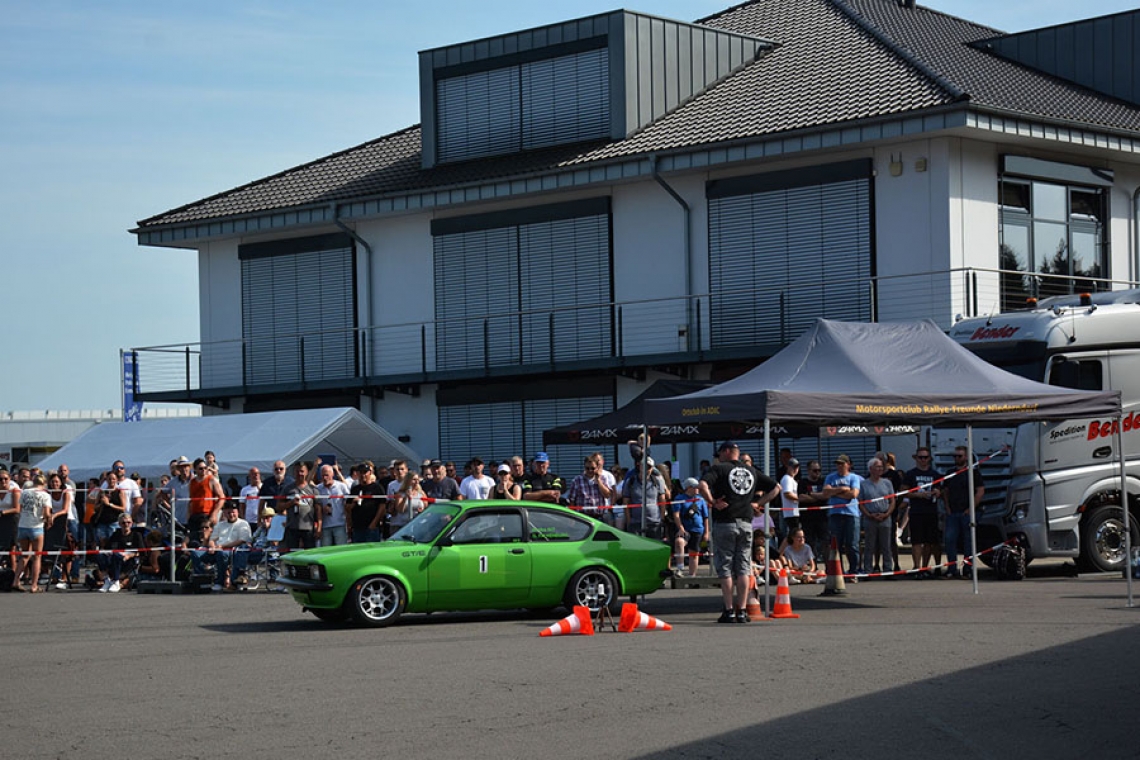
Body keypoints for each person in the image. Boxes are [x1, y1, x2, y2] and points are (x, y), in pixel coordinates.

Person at [700, 441, 780, 624]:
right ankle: (743, 610)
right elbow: (776, 488)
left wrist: (712, 501)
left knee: (726, 568)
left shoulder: (719, 469)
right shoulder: (751, 471)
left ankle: (729, 610)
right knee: (743, 566)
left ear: (727, 452)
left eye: (720, 453)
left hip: (725, 522)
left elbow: (702, 485)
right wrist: (758, 504)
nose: (718, 457)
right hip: (745, 522)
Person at [943, 446, 985, 578]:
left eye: (959, 456)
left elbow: (980, 491)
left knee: (969, 542)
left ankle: (968, 569)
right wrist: (947, 507)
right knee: (950, 540)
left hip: (969, 513)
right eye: (954, 456)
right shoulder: (950, 473)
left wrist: (971, 508)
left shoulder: (974, 473)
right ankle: (952, 569)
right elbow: (945, 491)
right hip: (953, 513)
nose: (956, 458)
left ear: (966, 457)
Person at [192, 502, 253, 591]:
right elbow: (212, 539)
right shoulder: (220, 525)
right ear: (224, 513)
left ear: (238, 512)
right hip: (216, 549)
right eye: (228, 512)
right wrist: (212, 546)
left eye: (233, 512)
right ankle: (203, 580)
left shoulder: (243, 524)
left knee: (221, 554)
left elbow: (242, 541)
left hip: (231, 550)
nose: (231, 514)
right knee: (195, 553)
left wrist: (221, 546)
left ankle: (219, 582)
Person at [904, 447, 943, 579]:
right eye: (920, 457)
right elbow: (904, 493)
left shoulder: (935, 474)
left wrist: (937, 493)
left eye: (925, 457)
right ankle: (917, 567)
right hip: (916, 511)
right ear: (916, 458)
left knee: (929, 541)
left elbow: (940, 491)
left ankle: (925, 567)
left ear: (929, 459)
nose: (923, 460)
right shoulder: (910, 474)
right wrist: (918, 495)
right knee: (916, 541)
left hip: (931, 511)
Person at [822, 454, 862, 578]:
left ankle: (853, 571)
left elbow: (853, 494)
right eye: (837, 464)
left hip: (851, 514)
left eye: (842, 464)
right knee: (836, 544)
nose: (839, 466)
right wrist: (842, 489)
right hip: (835, 514)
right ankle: (838, 571)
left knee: (852, 544)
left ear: (848, 465)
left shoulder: (854, 477)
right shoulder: (830, 477)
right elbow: (825, 492)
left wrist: (835, 493)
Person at [15, 473, 52, 592]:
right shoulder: (45, 495)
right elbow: (46, 513)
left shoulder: (25, 492)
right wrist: (49, 519)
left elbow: (20, 508)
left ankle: (16, 581)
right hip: (36, 526)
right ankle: (34, 585)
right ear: (44, 483)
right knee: (37, 557)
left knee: (24, 555)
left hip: (23, 525)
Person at [859, 457, 895, 575]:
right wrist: (869, 515)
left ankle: (888, 570)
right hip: (870, 518)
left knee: (886, 546)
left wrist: (887, 514)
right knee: (870, 546)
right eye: (877, 467)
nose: (880, 469)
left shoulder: (887, 483)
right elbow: (861, 502)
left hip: (885, 518)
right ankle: (868, 570)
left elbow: (892, 500)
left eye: (881, 467)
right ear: (870, 469)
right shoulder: (864, 484)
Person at [619, 456, 667, 538]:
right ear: (640, 466)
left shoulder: (657, 481)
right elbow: (625, 502)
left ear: (652, 469)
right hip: (636, 523)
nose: (646, 469)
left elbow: (662, 500)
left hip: (654, 522)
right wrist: (629, 521)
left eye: (649, 467)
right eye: (644, 466)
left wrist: (662, 518)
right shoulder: (630, 481)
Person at [95, 512, 143, 593]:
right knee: (99, 555)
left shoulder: (136, 535)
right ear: (120, 524)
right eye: (123, 523)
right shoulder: (116, 534)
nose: (126, 524)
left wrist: (130, 555)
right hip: (114, 557)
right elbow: (107, 548)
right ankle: (107, 581)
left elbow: (142, 552)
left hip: (129, 560)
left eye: (128, 522)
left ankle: (116, 582)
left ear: (132, 523)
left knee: (116, 555)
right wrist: (106, 552)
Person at [671, 477, 709, 577]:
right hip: (685, 528)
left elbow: (705, 517)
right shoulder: (679, 498)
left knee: (694, 552)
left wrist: (706, 532)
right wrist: (680, 527)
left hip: (698, 529)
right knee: (679, 542)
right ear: (688, 487)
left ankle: (692, 575)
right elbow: (676, 514)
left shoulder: (700, 499)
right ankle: (680, 568)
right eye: (695, 487)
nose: (697, 489)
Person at [186, 457, 225, 546]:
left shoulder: (211, 480)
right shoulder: (192, 482)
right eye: (200, 468)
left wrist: (214, 514)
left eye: (205, 468)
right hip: (195, 515)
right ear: (195, 469)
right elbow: (191, 500)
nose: (203, 470)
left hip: (207, 515)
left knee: (207, 540)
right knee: (194, 540)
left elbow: (222, 497)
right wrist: (188, 514)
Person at [282, 461, 320, 551]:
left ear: (307, 472)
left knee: (310, 553)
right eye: (297, 471)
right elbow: (279, 506)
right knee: (292, 553)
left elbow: (318, 509)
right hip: (292, 527)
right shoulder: (287, 488)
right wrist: (290, 503)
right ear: (294, 472)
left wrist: (319, 527)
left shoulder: (313, 489)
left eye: (302, 471)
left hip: (309, 527)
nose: (300, 474)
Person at [564, 454, 613, 520]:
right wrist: (572, 518)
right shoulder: (577, 480)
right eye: (587, 468)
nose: (590, 470)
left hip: (599, 517)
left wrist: (598, 481)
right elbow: (572, 500)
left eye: (592, 468)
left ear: (597, 467)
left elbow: (607, 495)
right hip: (582, 517)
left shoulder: (603, 478)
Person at [348, 461, 386, 542]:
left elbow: (382, 506)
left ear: (370, 473)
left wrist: (374, 522)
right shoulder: (355, 489)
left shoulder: (377, 488)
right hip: (357, 527)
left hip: (372, 527)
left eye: (365, 472)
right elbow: (347, 507)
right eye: (360, 472)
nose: (363, 475)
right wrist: (353, 503)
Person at [316, 464, 350, 546]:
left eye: (327, 475)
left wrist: (348, 523)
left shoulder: (341, 486)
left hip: (340, 524)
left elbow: (348, 504)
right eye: (323, 475)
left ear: (332, 474)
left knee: (341, 551)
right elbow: (316, 507)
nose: (325, 478)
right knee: (325, 552)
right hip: (325, 526)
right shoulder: (318, 488)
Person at [778, 457, 802, 542]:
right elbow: (787, 494)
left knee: (792, 535)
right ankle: (781, 552)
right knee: (793, 536)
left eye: (797, 467)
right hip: (791, 512)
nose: (795, 469)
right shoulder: (787, 479)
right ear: (788, 467)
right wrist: (800, 499)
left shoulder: (792, 480)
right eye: (793, 467)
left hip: (793, 512)